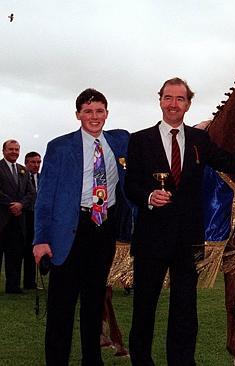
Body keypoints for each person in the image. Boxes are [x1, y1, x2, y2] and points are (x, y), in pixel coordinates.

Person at [125, 77, 235, 365]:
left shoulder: (199, 140)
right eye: (168, 98)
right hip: (150, 239)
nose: (173, 104)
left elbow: (231, 163)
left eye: (180, 99)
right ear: (160, 101)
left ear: (188, 104)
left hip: (187, 240)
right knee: (144, 308)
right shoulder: (140, 140)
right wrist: (149, 196)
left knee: (185, 310)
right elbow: (130, 185)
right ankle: (141, 360)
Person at [32, 88, 129, 365]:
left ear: (107, 113)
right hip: (69, 231)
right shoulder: (59, 147)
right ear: (78, 115)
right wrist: (40, 239)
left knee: (94, 303)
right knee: (61, 306)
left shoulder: (120, 141)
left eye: (99, 111)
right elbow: (45, 197)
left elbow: (152, 143)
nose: (94, 116)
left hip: (103, 229)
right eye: (88, 111)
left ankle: (92, 359)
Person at [0, 139, 35, 294]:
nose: (14, 152)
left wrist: (21, 205)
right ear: (4, 151)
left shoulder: (23, 170)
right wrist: (11, 205)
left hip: (19, 220)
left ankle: (13, 286)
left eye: (16, 149)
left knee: (15, 255)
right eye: (11, 149)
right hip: (2, 218)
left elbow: (31, 193)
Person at [23, 151, 41, 289]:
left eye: (38, 162)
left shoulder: (43, 178)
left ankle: (31, 282)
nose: (36, 165)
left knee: (34, 250)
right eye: (33, 162)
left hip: (38, 219)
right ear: (26, 163)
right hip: (24, 217)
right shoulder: (22, 178)